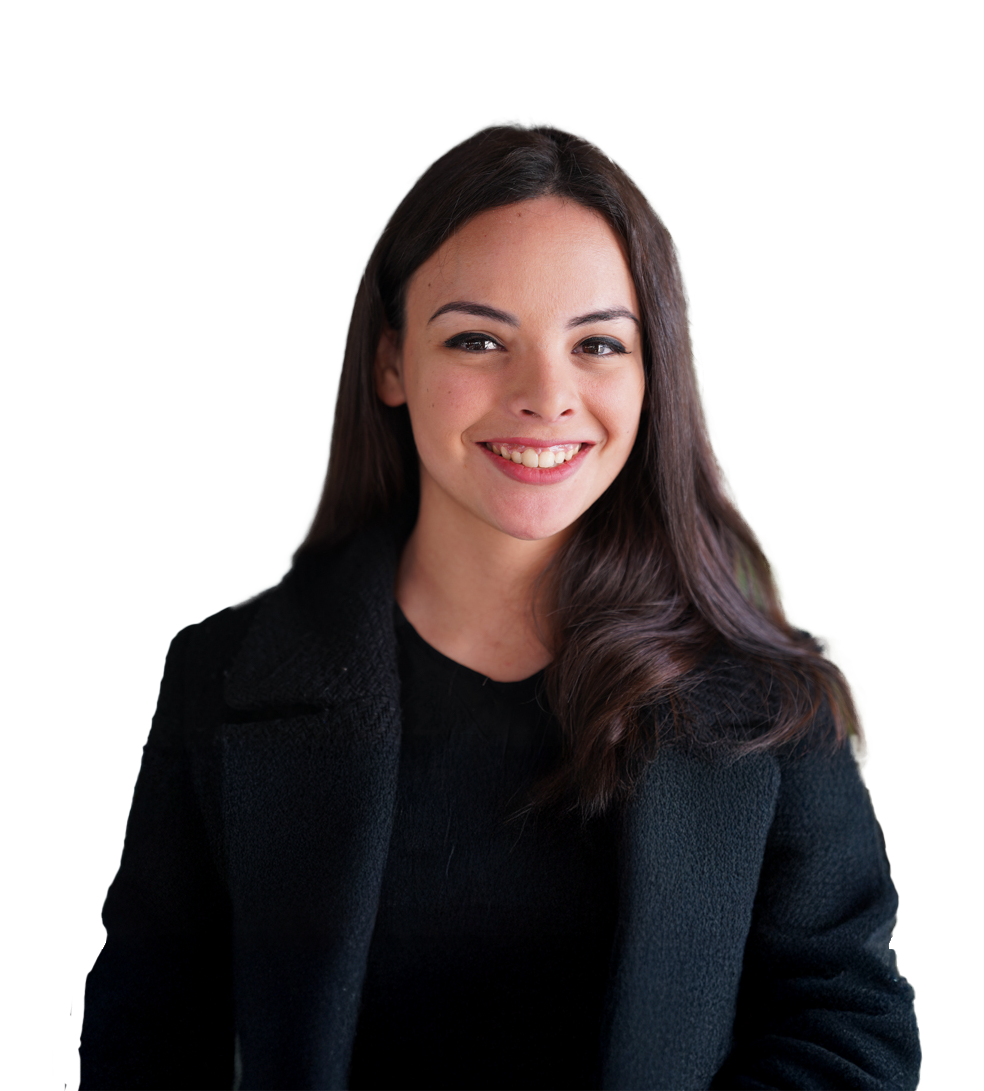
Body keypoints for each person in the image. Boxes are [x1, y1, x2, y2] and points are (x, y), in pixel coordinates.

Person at [78, 118, 920, 1090]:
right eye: (478, 339)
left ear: (654, 372)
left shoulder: (771, 697)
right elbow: (146, 1031)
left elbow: (845, 1029)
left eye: (597, 343)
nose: (545, 395)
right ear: (391, 361)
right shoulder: (223, 675)